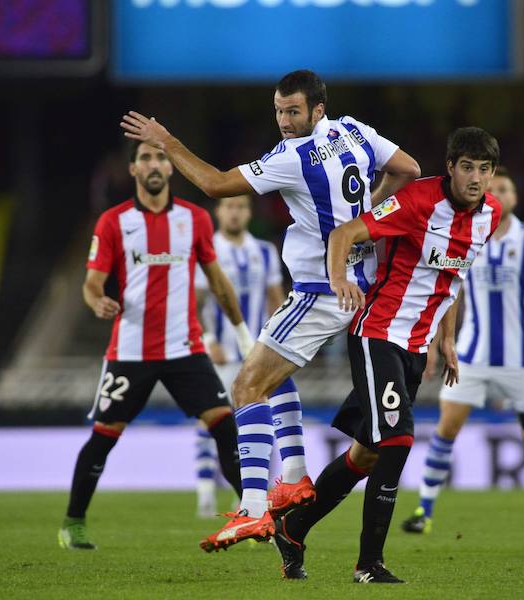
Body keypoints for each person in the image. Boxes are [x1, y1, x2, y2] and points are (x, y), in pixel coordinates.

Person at [120, 69, 420, 551]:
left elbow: (216, 185)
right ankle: (298, 476)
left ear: (317, 109)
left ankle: (253, 509)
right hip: (360, 285)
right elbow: (407, 168)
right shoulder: (355, 131)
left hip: (321, 291)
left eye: (293, 111)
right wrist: (367, 218)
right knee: (275, 377)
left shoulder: (294, 156)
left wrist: (167, 140)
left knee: (245, 386)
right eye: (279, 110)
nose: (284, 120)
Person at [273, 127, 502, 583]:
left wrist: (447, 339)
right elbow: (346, 232)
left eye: (485, 169)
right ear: (451, 167)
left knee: (366, 456)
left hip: (416, 346)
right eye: (468, 168)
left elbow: (452, 277)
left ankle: (292, 529)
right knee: (397, 441)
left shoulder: (488, 216)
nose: (476, 178)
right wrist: (338, 278)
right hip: (378, 332)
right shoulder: (417, 200)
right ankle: (368, 565)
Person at [57, 142, 254, 550]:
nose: (154, 164)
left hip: (185, 347)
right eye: (145, 157)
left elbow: (217, 281)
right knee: (104, 435)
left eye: (161, 157)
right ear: (132, 169)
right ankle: (73, 522)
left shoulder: (195, 219)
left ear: (171, 167)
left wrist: (242, 336)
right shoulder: (114, 222)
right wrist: (97, 301)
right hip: (131, 350)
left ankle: (253, 517)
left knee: (224, 424)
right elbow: (92, 282)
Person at [400, 167, 524, 537]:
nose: (498, 191)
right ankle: (423, 510)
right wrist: (434, 342)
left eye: (505, 187)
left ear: (514, 197)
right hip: (470, 356)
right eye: (493, 186)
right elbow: (447, 291)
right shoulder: (468, 233)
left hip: (521, 357)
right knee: (446, 429)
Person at [193, 194, 293, 518]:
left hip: (256, 356)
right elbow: (195, 304)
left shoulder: (264, 252)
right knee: (213, 421)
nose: (235, 213)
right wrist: (208, 340)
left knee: (264, 422)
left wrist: (279, 348)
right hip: (220, 354)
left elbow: (277, 303)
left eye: (240, 207)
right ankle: (205, 491)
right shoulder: (207, 250)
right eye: (229, 207)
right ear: (218, 212)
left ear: (248, 213)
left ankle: (253, 493)